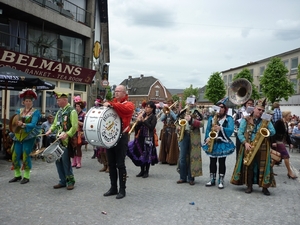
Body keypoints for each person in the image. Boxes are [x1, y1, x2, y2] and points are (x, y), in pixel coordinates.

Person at [231, 99, 276, 196]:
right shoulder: (246, 118)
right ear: (254, 109)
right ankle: (249, 186)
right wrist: (245, 143)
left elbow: (273, 132)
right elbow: (240, 132)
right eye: (259, 109)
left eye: (262, 110)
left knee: (264, 166)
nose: (261, 112)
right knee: (250, 166)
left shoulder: (266, 119)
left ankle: (265, 187)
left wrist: (267, 125)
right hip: (250, 145)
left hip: (263, 146)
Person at [102, 85, 134, 199]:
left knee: (120, 164)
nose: (116, 93)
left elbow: (124, 110)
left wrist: (111, 105)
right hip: (111, 137)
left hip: (122, 137)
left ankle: (122, 189)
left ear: (124, 93)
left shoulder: (129, 104)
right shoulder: (112, 104)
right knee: (111, 164)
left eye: (118, 91)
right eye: (115, 91)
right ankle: (113, 188)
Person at [45, 92, 78, 190]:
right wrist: (50, 130)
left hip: (66, 141)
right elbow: (55, 124)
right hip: (58, 139)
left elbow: (74, 126)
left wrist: (67, 134)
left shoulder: (72, 111)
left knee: (65, 161)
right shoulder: (59, 111)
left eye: (59, 100)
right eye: (57, 100)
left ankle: (70, 181)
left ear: (65, 100)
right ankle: (62, 181)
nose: (57, 102)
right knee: (58, 160)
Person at [9, 89, 41, 184]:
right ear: (23, 102)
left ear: (32, 102)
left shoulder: (36, 112)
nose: (28, 103)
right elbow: (15, 121)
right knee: (15, 154)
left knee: (26, 154)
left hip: (29, 135)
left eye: (30, 101)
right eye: (26, 101)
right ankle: (17, 175)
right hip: (18, 135)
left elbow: (33, 124)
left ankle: (26, 176)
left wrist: (23, 124)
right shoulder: (19, 111)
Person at [202, 97, 235, 189]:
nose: (220, 109)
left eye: (222, 107)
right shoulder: (212, 118)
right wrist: (207, 138)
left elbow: (231, 130)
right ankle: (212, 179)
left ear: (225, 109)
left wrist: (221, 128)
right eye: (218, 107)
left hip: (222, 142)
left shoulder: (229, 118)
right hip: (213, 141)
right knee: (212, 161)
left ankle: (221, 180)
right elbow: (208, 129)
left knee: (222, 161)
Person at [127, 101, 159, 178]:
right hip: (141, 137)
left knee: (147, 154)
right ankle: (141, 171)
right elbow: (138, 126)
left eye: (148, 107)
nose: (146, 108)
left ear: (152, 109)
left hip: (148, 137)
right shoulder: (143, 115)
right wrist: (138, 121)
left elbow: (151, 127)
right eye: (146, 107)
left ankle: (146, 172)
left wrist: (144, 121)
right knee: (140, 153)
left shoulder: (153, 117)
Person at [176, 95, 203, 185]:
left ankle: (191, 178)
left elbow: (202, 123)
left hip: (194, 135)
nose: (191, 103)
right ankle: (182, 177)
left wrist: (192, 120)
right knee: (182, 157)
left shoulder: (197, 111)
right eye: (189, 101)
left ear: (195, 102)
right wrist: (178, 127)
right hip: (184, 134)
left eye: (192, 101)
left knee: (193, 157)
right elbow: (177, 122)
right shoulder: (183, 111)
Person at [271, 111, 297, 179]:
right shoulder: (279, 122)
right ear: (285, 115)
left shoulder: (285, 123)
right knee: (286, 156)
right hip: (278, 141)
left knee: (276, 157)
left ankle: (269, 170)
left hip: (281, 141)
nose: (291, 117)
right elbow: (274, 132)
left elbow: (287, 134)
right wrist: (273, 141)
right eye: (289, 115)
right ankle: (289, 172)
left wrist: (290, 143)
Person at [158, 99, 179, 165]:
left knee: (171, 143)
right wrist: (165, 112)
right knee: (165, 143)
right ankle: (164, 159)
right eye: (168, 103)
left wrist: (171, 111)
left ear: (173, 103)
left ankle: (172, 159)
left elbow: (176, 118)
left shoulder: (175, 110)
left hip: (172, 128)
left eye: (170, 103)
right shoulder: (165, 109)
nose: (169, 104)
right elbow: (161, 119)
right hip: (166, 128)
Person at [71, 96, 86, 169]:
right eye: (76, 106)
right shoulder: (73, 113)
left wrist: (77, 121)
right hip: (73, 132)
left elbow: (85, 124)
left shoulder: (83, 114)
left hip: (79, 133)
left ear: (81, 107)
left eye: (78, 106)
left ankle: (79, 162)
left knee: (78, 148)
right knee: (73, 147)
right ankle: (73, 161)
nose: (77, 107)